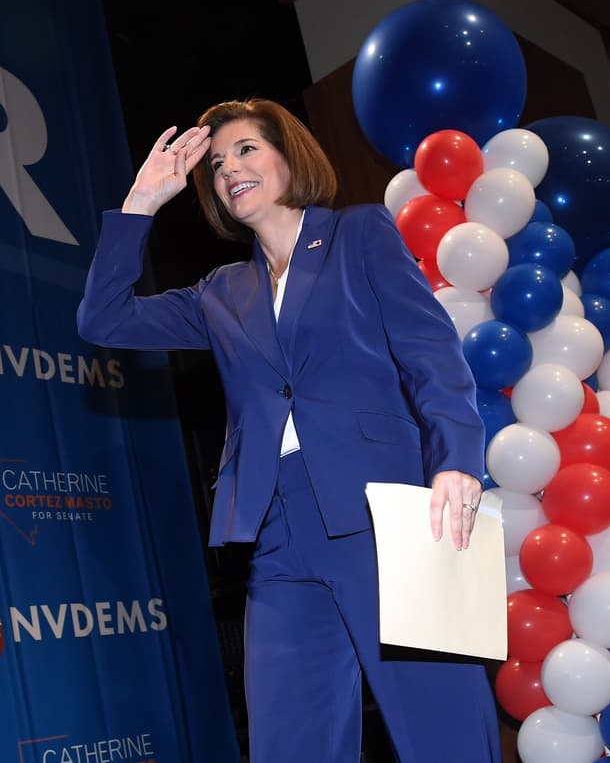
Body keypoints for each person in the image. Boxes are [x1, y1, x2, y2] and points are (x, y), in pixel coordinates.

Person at [77, 99, 500, 762]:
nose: (229, 170)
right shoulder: (219, 292)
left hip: (386, 515)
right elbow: (103, 319)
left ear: (288, 156)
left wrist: (456, 460)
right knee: (289, 744)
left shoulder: (358, 234)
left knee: (442, 729)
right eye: (216, 164)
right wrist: (141, 201)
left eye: (246, 149)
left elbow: (431, 353)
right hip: (275, 532)